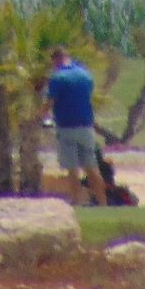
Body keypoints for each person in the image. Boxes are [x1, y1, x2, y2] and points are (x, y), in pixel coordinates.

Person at [46, 46, 105, 206]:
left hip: (66, 127)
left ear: (56, 59)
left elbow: (50, 102)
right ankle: (103, 203)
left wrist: (42, 116)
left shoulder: (57, 78)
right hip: (86, 127)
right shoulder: (85, 75)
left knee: (72, 168)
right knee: (91, 167)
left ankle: (76, 202)